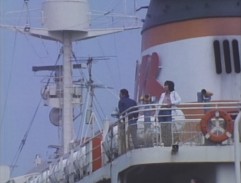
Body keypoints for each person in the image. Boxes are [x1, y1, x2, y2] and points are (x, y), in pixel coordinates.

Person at [156, 80, 181, 146]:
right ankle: (165, 142)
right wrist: (156, 114)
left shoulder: (174, 93)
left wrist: (171, 103)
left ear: (169, 86)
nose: (164, 86)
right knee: (162, 128)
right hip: (161, 111)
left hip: (168, 110)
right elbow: (159, 103)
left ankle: (169, 143)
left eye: (166, 85)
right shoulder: (162, 94)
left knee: (168, 127)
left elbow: (179, 100)